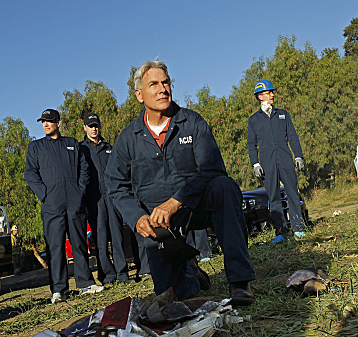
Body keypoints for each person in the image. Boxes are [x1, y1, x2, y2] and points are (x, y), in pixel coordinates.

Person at [105, 60, 256, 304]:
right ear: (139, 95)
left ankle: (240, 282)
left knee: (225, 187)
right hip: (159, 224)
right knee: (173, 298)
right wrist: (137, 218)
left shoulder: (192, 122)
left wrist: (176, 201)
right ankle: (190, 269)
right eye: (153, 84)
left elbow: (213, 169)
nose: (162, 89)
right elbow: (115, 185)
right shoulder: (127, 139)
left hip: (195, 207)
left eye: (165, 82)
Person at [24, 108, 103, 304]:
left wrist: (80, 191)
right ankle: (59, 290)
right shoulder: (36, 147)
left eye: (49, 121)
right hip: (52, 204)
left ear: (58, 123)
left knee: (78, 243)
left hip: (74, 201)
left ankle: (85, 283)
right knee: (55, 246)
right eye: (43, 121)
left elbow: (84, 168)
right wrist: (45, 195)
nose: (45, 124)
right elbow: (30, 174)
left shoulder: (71, 144)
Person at [247, 80, 306, 243]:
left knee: (292, 193)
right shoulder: (254, 120)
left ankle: (298, 228)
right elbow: (251, 144)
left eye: (272, 92)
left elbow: (292, 136)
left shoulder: (283, 114)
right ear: (260, 96)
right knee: (273, 197)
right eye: (268, 92)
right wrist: (255, 163)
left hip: (285, 158)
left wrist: (298, 156)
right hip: (267, 163)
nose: (272, 95)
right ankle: (280, 231)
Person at [80, 113, 131, 285]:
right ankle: (107, 276)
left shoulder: (110, 148)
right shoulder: (81, 150)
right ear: (84, 127)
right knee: (100, 240)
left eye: (96, 125)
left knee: (117, 236)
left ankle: (122, 274)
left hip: (112, 198)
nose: (94, 129)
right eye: (90, 125)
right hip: (94, 200)